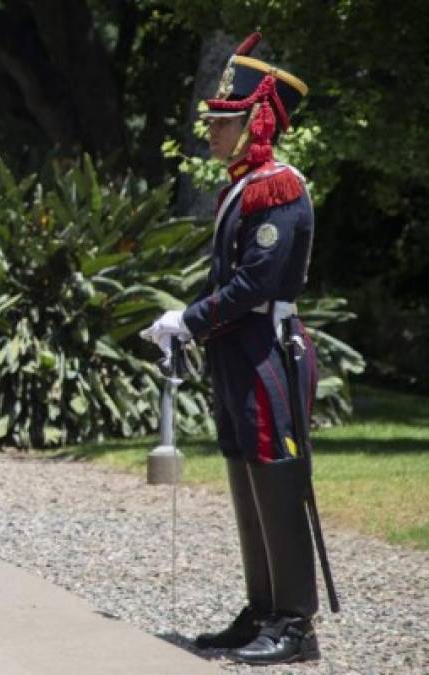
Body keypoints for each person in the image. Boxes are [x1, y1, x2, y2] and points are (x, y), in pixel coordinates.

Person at [142, 33, 325, 665]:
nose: (213, 132)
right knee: (245, 474)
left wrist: (189, 320)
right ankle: (264, 606)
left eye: (226, 121)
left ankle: (296, 624)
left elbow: (254, 285)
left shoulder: (280, 188)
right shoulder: (244, 188)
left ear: (259, 121)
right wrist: (186, 321)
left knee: (275, 476)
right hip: (237, 351)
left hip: (268, 354)